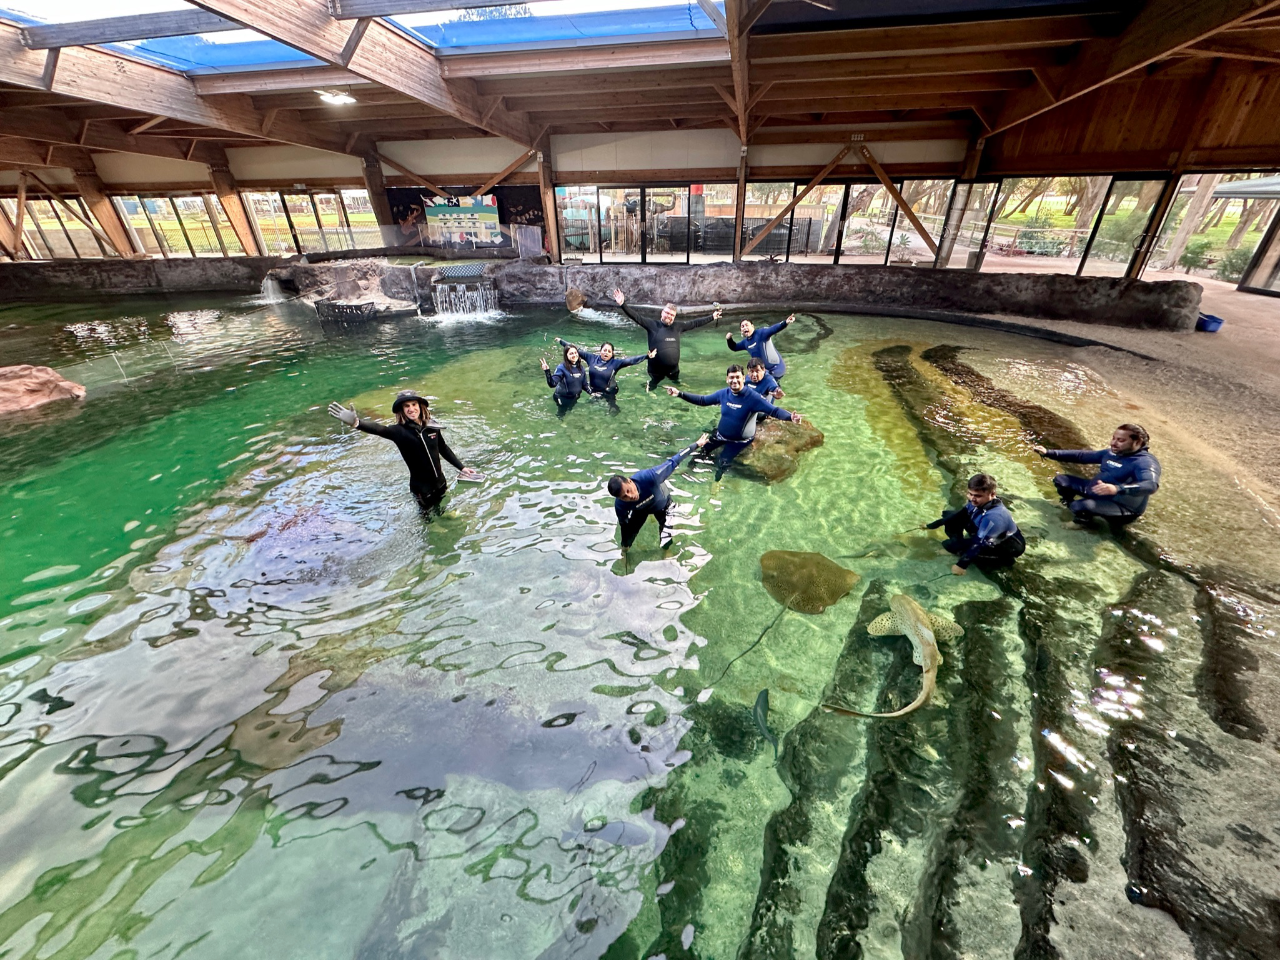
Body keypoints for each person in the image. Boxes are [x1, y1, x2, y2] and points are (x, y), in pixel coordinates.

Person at [328, 391, 480, 511]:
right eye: (407, 406)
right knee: (427, 519)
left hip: (440, 482)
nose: (411, 409)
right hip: (421, 488)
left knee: (442, 506)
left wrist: (462, 468)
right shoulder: (398, 432)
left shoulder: (432, 427)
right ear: (402, 410)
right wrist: (357, 423)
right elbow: (379, 429)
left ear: (420, 406)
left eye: (414, 404)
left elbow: (443, 448)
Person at [666, 364, 804, 480]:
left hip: (739, 441)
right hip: (720, 435)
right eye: (731, 377)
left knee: (722, 462)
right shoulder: (724, 393)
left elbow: (773, 410)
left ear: (743, 378)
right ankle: (689, 471)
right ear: (727, 379)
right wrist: (679, 393)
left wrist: (790, 417)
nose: (735, 380)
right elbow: (703, 400)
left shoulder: (753, 398)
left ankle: (716, 483)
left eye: (738, 377)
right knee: (700, 452)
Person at [1033, 424, 1161, 529]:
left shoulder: (1145, 462)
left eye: (1121, 440)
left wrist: (1117, 489)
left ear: (1138, 442)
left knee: (1079, 506)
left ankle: (1083, 522)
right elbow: (1081, 456)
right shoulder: (1112, 453)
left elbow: (1151, 485)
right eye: (1114, 438)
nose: (1113, 443)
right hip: (1098, 492)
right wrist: (1049, 452)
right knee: (1062, 480)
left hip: (1122, 506)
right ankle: (1068, 504)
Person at [609, 434, 710, 550]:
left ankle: (666, 551)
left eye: (628, 490)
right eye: (624, 497)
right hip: (641, 510)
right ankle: (625, 551)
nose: (630, 496)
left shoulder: (650, 477)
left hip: (662, 504)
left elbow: (674, 460)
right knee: (628, 536)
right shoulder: (620, 505)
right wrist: (625, 543)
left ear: (629, 481)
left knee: (666, 533)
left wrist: (696, 445)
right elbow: (623, 524)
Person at [612, 288, 723, 391]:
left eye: (672, 315)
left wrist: (712, 317)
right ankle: (650, 387)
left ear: (674, 317)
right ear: (662, 312)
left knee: (676, 384)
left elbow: (695, 323)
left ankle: (676, 383)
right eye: (667, 313)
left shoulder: (678, 327)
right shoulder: (652, 325)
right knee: (653, 386)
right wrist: (623, 304)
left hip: (673, 370)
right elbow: (637, 317)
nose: (669, 316)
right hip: (655, 370)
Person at [924, 473, 1025, 575]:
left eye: (978, 496)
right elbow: (958, 516)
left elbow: (979, 543)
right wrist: (932, 525)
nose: (972, 498)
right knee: (949, 516)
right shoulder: (977, 502)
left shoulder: (994, 517)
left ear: (992, 494)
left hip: (1005, 544)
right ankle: (960, 544)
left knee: (948, 545)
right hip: (987, 531)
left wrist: (961, 565)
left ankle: (1000, 560)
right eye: (970, 494)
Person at [554, 337, 655, 413]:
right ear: (600, 351)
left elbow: (630, 360)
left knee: (613, 412)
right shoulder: (591, 358)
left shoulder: (615, 363)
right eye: (604, 350)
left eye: (609, 351)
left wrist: (646, 356)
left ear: (612, 353)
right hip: (594, 391)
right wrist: (561, 341)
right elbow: (575, 350)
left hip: (609, 391)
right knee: (592, 411)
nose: (606, 353)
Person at [726, 314, 795, 380]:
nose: (745, 328)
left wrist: (785, 322)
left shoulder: (761, 333)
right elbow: (734, 347)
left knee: (768, 384)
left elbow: (773, 329)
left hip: (776, 368)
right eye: (742, 326)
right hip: (763, 371)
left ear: (752, 326)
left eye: (747, 325)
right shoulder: (745, 343)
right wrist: (729, 339)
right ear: (741, 330)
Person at [540, 345, 588, 418]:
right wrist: (547, 371)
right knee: (561, 414)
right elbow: (552, 384)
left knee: (569, 410)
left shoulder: (581, 368)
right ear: (566, 356)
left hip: (574, 397)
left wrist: (592, 392)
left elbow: (584, 384)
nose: (574, 355)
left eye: (575, 353)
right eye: (571, 353)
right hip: (562, 398)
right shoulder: (561, 368)